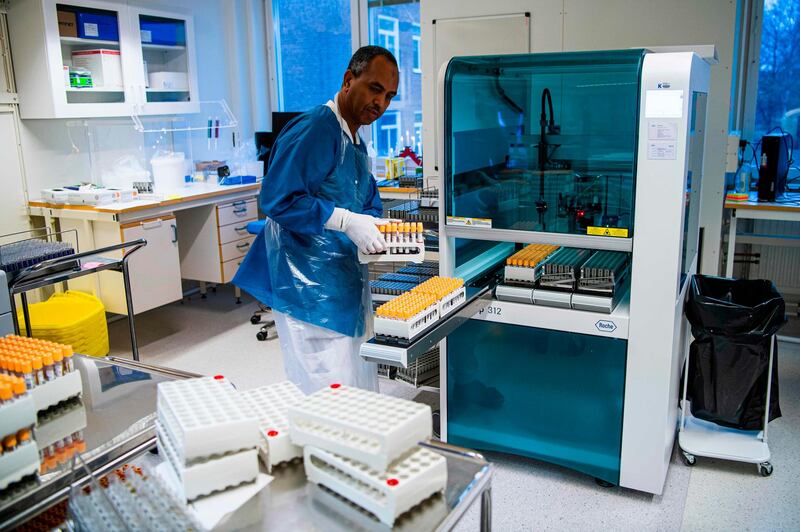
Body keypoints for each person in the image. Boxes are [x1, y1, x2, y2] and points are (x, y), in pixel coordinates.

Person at [234, 46, 399, 394]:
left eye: (389, 96)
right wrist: (344, 220)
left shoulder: (354, 140)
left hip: (340, 282)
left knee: (354, 386)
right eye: (375, 88)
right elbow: (278, 199)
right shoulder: (315, 129)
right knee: (327, 395)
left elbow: (366, 197)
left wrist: (371, 224)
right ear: (348, 80)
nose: (381, 103)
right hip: (307, 288)